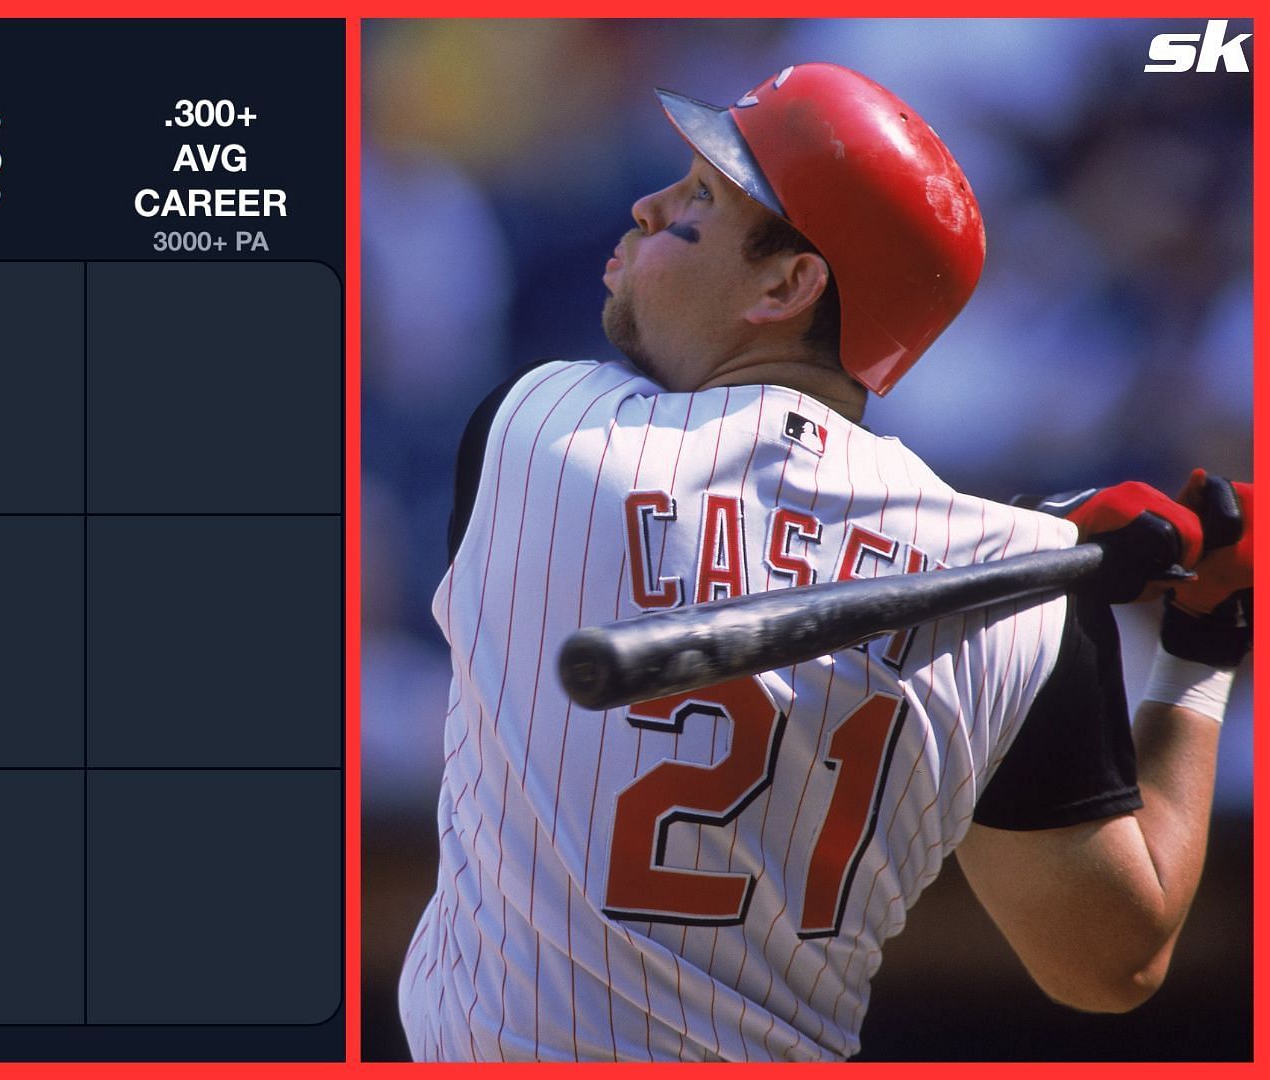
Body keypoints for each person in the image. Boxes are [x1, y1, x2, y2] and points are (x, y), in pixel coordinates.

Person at [396, 61, 1253, 1062]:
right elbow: (1111, 964)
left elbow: (759, 520)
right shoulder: (1020, 595)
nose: (649, 203)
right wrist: (1201, 646)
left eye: (701, 199)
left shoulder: (538, 430)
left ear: (790, 282)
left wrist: (1038, 532)